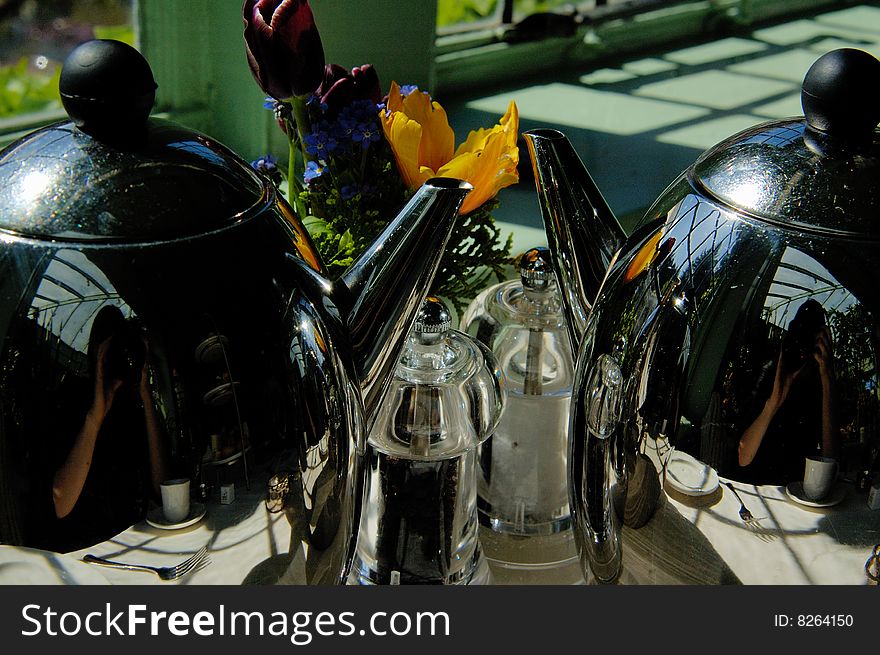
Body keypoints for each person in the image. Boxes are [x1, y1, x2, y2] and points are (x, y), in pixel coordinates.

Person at [48, 305, 167, 550]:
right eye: (109, 351)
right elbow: (60, 503)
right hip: (86, 549)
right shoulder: (72, 399)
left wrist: (145, 392)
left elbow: (161, 486)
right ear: (96, 352)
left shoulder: (132, 407)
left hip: (137, 540)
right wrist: (95, 417)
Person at [737, 299, 839, 484]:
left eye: (810, 339)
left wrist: (827, 377)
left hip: (797, 490)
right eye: (800, 335)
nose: (803, 350)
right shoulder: (773, 375)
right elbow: (743, 457)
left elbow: (829, 461)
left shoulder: (820, 386)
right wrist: (773, 403)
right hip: (757, 484)